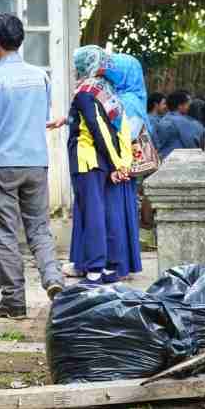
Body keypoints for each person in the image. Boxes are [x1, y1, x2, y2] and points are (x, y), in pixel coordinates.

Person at [0, 13, 64, 319]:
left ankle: (14, 301)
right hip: (37, 162)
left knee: (5, 234)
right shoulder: (41, 76)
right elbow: (42, 117)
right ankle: (53, 279)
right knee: (39, 228)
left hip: (2, 166)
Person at [66, 46, 133, 285]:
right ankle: (106, 267)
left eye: (78, 63)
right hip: (104, 161)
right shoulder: (107, 91)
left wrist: (117, 164)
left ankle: (94, 269)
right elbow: (120, 128)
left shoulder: (84, 92)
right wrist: (122, 162)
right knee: (103, 212)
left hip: (88, 161)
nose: (75, 68)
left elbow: (98, 129)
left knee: (92, 214)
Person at [98, 52, 146, 279]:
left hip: (120, 166)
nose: (111, 72)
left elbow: (131, 133)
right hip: (118, 164)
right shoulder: (124, 96)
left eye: (116, 69)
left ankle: (118, 264)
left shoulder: (130, 101)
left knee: (116, 213)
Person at [155, 90, 203, 159]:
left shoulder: (162, 120)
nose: (189, 107)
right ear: (180, 106)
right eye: (187, 104)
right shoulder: (183, 121)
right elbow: (191, 144)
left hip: (163, 157)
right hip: (178, 159)